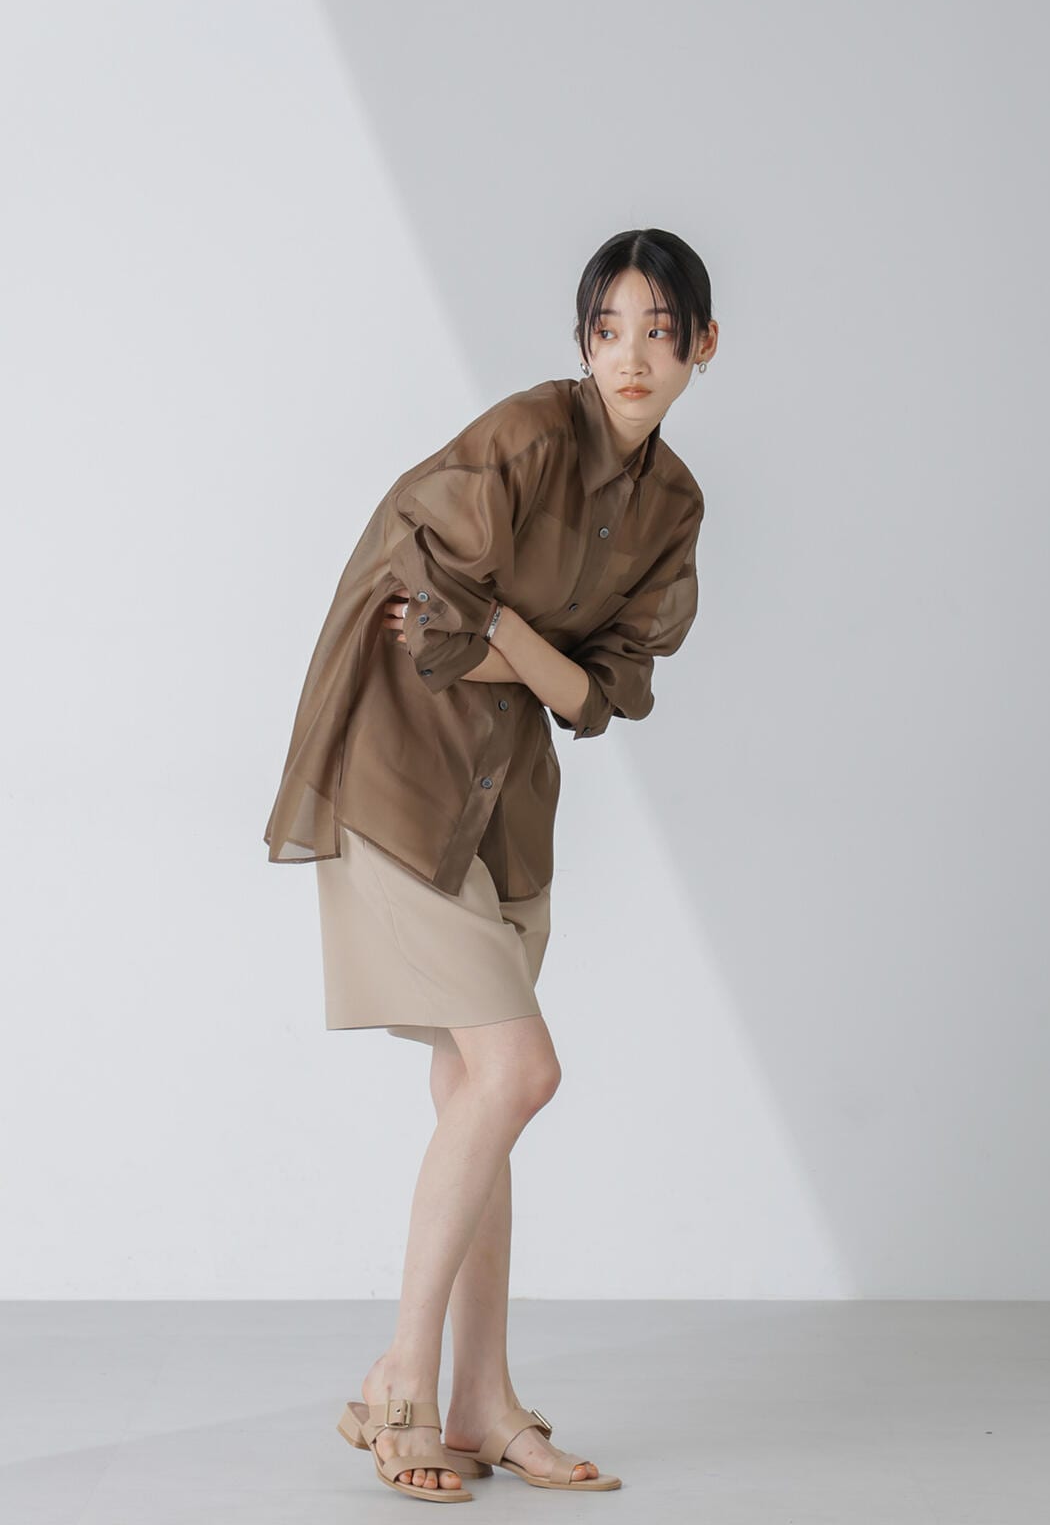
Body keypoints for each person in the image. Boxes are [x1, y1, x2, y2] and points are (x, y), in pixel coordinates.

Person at [263, 227, 718, 1502]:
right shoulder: (522, 439)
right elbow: (424, 625)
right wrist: (527, 650)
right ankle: (400, 1380)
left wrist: (507, 632)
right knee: (520, 1071)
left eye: (659, 330)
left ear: (702, 345)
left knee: (479, 1090)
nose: (631, 356)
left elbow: (605, 694)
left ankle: (481, 1399)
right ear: (582, 340)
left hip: (506, 807)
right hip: (401, 782)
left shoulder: (674, 507)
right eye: (608, 329)